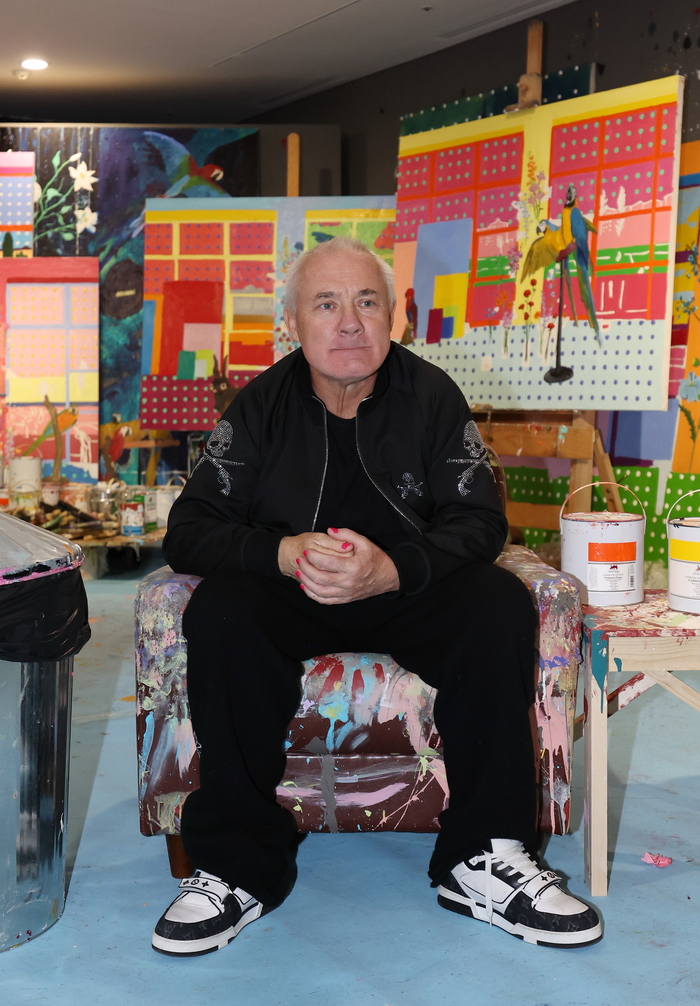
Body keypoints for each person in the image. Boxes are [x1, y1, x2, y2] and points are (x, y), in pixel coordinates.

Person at [153, 237, 602, 957]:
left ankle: (484, 856)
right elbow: (190, 529)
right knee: (222, 610)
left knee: (496, 603)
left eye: (367, 302)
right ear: (293, 322)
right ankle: (235, 866)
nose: (349, 322)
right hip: (291, 591)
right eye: (326, 303)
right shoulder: (259, 406)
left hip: (406, 589)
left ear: (394, 316)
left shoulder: (432, 397)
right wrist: (282, 553)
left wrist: (392, 569)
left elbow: (479, 520)